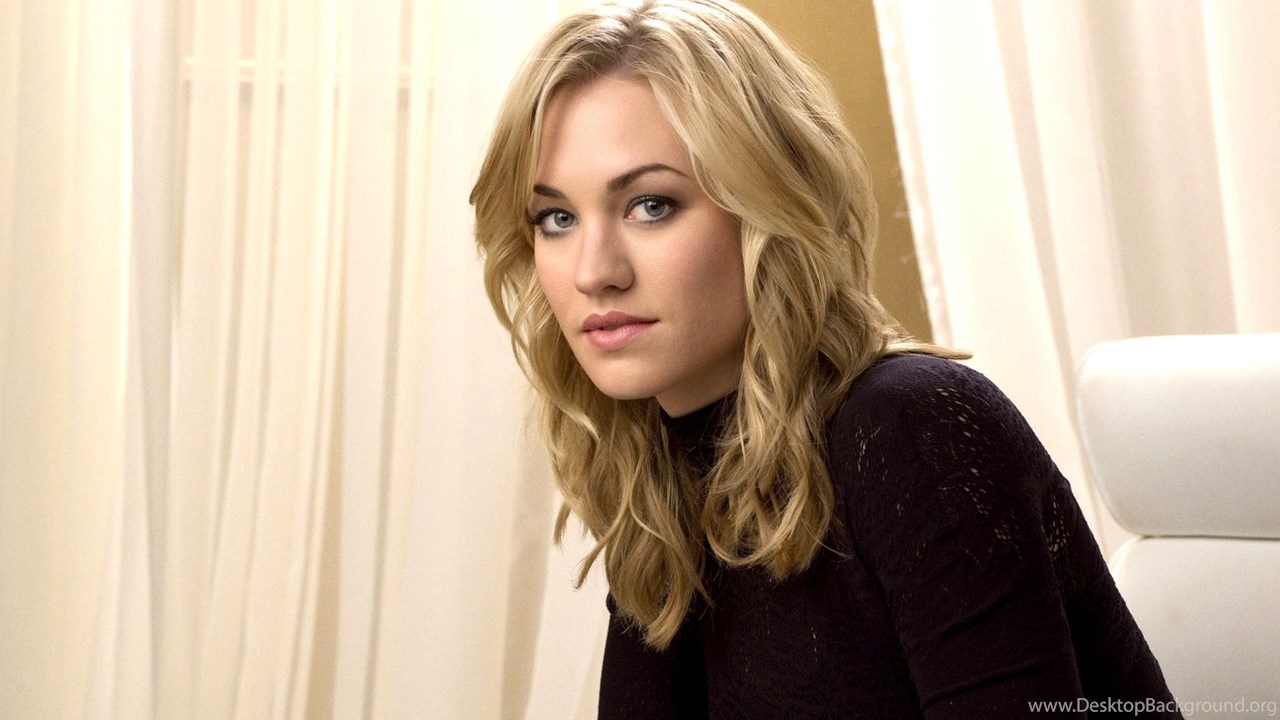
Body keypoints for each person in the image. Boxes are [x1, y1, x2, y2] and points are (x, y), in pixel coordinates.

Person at [471, 0, 1181, 717]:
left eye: (650, 205)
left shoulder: (912, 427)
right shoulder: (660, 482)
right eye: (556, 218)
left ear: (765, 207)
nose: (594, 271)